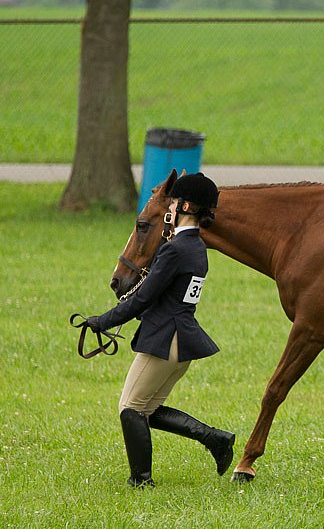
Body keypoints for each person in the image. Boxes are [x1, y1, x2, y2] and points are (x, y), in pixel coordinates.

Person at [86, 172, 234, 488]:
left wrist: (103, 321)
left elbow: (142, 298)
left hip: (166, 340)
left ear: (186, 206)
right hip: (183, 343)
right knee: (147, 410)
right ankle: (215, 439)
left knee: (130, 409)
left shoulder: (174, 250)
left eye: (174, 201)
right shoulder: (196, 249)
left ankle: (141, 481)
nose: (170, 205)